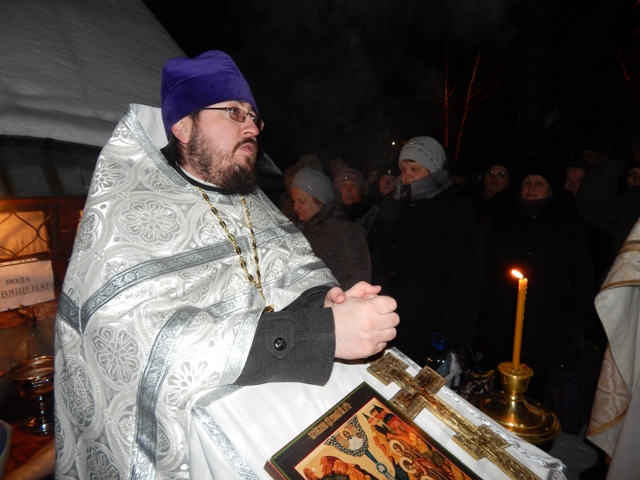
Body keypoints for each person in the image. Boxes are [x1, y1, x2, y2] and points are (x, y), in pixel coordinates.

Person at [53, 50, 398, 479]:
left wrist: (325, 303)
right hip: (197, 443)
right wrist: (322, 333)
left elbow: (292, 267)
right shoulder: (126, 215)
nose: (251, 126)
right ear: (183, 126)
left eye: (254, 116)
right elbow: (137, 342)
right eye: (234, 112)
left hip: (265, 417)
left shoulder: (249, 199)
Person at [480, 161, 598, 430]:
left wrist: (580, 321)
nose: (531, 188)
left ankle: (527, 432)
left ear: (550, 190)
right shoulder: (503, 218)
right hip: (503, 314)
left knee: (535, 387)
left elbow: (580, 271)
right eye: (526, 182)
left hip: (547, 318)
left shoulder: (566, 222)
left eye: (538, 183)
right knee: (498, 377)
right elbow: (485, 260)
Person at [368, 136, 483, 371]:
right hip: (387, 318)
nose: (407, 176)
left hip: (429, 325)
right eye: (403, 169)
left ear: (433, 169)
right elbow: (375, 256)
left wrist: (453, 335)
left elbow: (467, 273)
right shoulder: (392, 203)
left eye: (415, 169)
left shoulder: (453, 206)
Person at [289, 167, 371, 289]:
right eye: (293, 201)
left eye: (301, 201)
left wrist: (336, 297)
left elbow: (359, 277)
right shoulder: (294, 230)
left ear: (320, 201)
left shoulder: (346, 230)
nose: (296, 207)